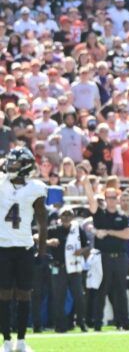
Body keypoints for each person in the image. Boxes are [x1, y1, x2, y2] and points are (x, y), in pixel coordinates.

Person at [0, 147, 48, 352]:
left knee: (23, 294)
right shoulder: (1, 184)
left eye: (16, 163)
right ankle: (6, 340)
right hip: (2, 246)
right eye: (11, 162)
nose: (11, 166)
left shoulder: (35, 188)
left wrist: (42, 251)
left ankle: (20, 340)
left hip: (24, 246)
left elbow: (43, 223)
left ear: (26, 166)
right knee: (3, 294)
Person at [83, 178, 129, 331]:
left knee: (121, 292)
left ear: (117, 199)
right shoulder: (99, 214)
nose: (111, 200)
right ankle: (97, 324)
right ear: (105, 199)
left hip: (120, 257)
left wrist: (108, 232)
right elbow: (91, 201)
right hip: (103, 257)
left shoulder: (122, 216)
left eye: (113, 197)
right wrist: (87, 185)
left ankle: (123, 323)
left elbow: (128, 234)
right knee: (101, 291)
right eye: (108, 197)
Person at [47, 206, 89, 333]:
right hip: (59, 267)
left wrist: (81, 251)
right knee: (59, 297)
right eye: (64, 215)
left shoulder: (77, 229)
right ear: (60, 217)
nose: (66, 217)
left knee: (79, 296)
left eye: (69, 215)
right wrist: (49, 242)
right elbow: (40, 238)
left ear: (73, 217)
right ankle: (60, 325)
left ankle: (81, 322)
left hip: (74, 268)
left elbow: (87, 246)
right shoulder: (53, 230)